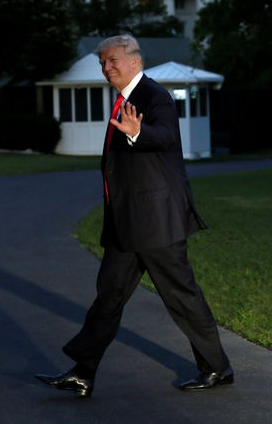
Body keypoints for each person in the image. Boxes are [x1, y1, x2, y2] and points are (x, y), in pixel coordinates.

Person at [35, 34, 232, 398]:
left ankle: (217, 369)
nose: (105, 67)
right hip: (127, 223)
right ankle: (83, 373)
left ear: (134, 63)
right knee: (108, 296)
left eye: (112, 61)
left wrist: (138, 131)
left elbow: (165, 137)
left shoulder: (155, 97)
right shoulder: (124, 99)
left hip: (156, 222)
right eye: (102, 63)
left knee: (182, 297)